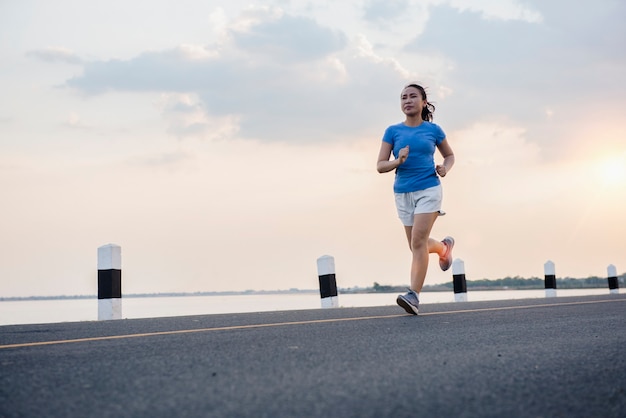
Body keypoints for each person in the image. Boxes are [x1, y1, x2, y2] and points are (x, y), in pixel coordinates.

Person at [376, 83, 455, 315]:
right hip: (402, 192)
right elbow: (380, 166)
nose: (407, 101)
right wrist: (397, 162)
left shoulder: (434, 130)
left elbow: (449, 155)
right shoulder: (392, 131)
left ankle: (413, 296)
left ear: (423, 102)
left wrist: (445, 168)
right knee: (415, 245)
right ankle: (443, 247)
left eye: (412, 97)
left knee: (418, 243)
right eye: (403, 97)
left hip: (429, 189)